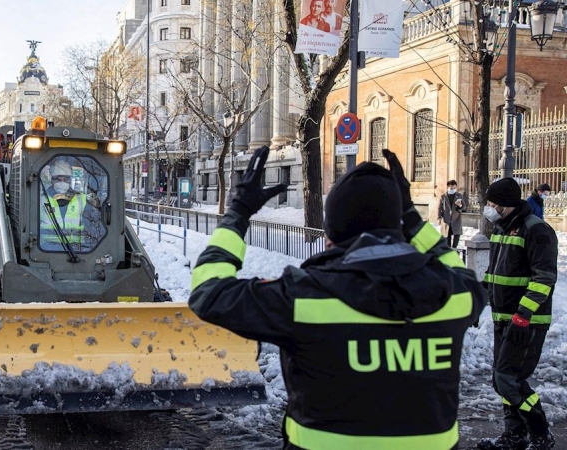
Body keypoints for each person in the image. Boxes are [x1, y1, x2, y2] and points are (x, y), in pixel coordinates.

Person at [189, 147, 486, 450]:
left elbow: (209, 292)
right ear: (398, 227)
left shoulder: (303, 298)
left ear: (331, 236)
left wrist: (238, 212)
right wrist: (411, 218)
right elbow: (459, 271)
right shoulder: (455, 295)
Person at [477, 178, 557, 450]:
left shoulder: (536, 230)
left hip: (527, 321)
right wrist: (478, 298)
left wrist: (523, 315)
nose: (489, 208)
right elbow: (497, 273)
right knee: (502, 380)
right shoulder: (502, 228)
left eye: (493, 204)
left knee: (508, 379)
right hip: (504, 318)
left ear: (507, 204)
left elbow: (543, 278)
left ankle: (540, 433)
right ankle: (514, 435)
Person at [39, 159, 102, 252]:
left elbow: (95, 224)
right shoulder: (41, 199)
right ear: (52, 179)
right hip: (46, 248)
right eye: (58, 179)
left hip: (78, 249)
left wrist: (96, 202)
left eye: (65, 179)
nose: (62, 182)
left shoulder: (82, 200)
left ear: (70, 180)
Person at [438, 179, 464, 249]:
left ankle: (455, 248)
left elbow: (463, 207)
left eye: (454, 188)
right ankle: (448, 249)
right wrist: (439, 217)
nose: (452, 189)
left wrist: (460, 206)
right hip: (446, 219)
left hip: (456, 219)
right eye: (451, 188)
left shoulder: (459, 195)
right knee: (447, 235)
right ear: (448, 187)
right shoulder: (443, 196)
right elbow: (439, 207)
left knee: (457, 235)